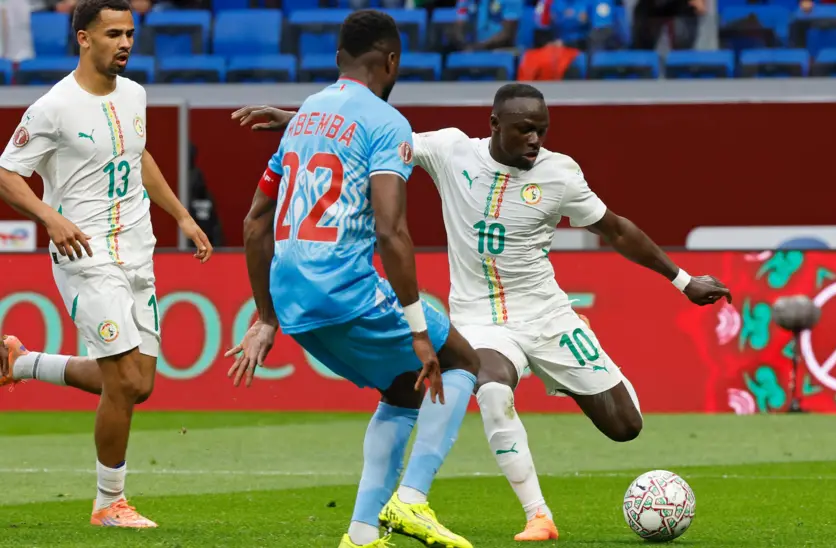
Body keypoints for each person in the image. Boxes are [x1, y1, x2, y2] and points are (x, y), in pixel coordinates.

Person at [232, 83, 733, 543]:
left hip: (548, 315)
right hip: (479, 320)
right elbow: (373, 134)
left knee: (626, 426)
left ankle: (573, 359)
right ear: (494, 124)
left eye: (542, 130)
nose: (535, 140)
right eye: (524, 129)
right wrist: (298, 119)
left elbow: (617, 229)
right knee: (489, 385)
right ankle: (538, 516)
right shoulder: (451, 150)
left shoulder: (560, 174)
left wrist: (684, 281)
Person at [224, 11, 481, 548]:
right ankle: (412, 500)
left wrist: (266, 317)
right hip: (344, 289)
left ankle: (362, 535)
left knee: (402, 388)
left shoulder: (305, 116)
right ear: (392, 61)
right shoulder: (389, 123)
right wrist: (418, 329)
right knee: (460, 361)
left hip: (292, 303)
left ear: (339, 58)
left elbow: (254, 222)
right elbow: (391, 230)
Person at [0, 0, 213, 528]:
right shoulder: (53, 107)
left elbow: (138, 157)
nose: (125, 43)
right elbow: (6, 173)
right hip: (86, 254)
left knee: (140, 384)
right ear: (83, 38)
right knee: (122, 381)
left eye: (130, 34)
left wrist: (182, 216)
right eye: (113, 34)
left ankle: (21, 363)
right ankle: (108, 503)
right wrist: (50, 217)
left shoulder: (135, 94)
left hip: (138, 248)